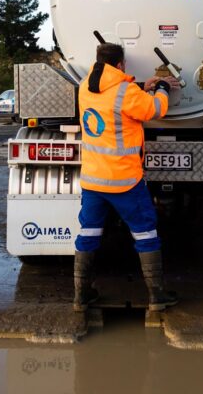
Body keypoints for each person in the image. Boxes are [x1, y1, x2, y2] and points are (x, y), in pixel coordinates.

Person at [73, 42, 180, 312]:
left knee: (88, 234)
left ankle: (81, 297)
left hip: (92, 180)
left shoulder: (86, 85)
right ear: (120, 65)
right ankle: (156, 296)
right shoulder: (125, 92)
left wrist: (140, 87)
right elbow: (155, 109)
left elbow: (114, 101)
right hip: (124, 181)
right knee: (145, 234)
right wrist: (162, 89)